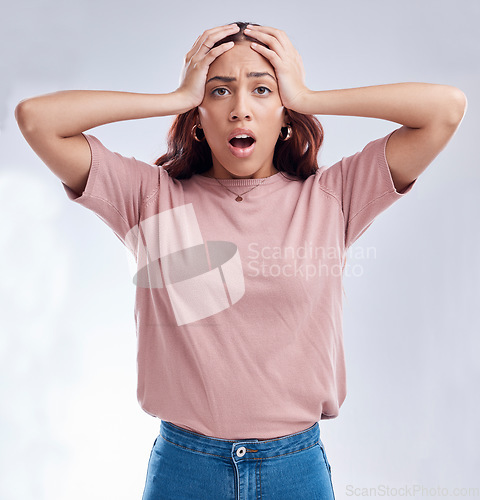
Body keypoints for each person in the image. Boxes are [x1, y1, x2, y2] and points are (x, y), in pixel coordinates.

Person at [15, 20, 466, 500]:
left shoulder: (332, 198)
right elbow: (36, 119)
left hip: (295, 470)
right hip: (185, 470)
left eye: (262, 89)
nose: (240, 109)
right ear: (198, 115)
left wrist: (309, 95)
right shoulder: (149, 198)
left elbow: (446, 109)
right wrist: (174, 97)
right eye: (220, 91)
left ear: (285, 115)